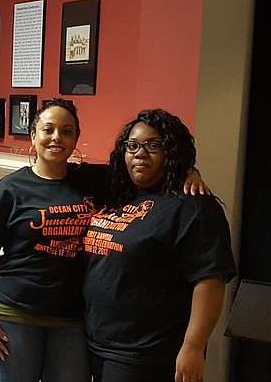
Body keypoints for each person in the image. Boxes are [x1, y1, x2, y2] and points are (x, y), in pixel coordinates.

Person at [0, 99, 208, 382]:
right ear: (33, 135)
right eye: (48, 130)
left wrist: (187, 171)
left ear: (75, 140)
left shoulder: (95, 181)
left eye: (67, 131)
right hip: (15, 313)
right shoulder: (8, 190)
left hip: (72, 318)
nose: (57, 137)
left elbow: (141, 171)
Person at [83, 109, 236, 382]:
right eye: (132, 146)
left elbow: (211, 282)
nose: (140, 153)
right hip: (96, 344)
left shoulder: (194, 207)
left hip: (147, 355)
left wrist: (193, 347)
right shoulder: (117, 191)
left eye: (153, 146)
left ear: (171, 152)